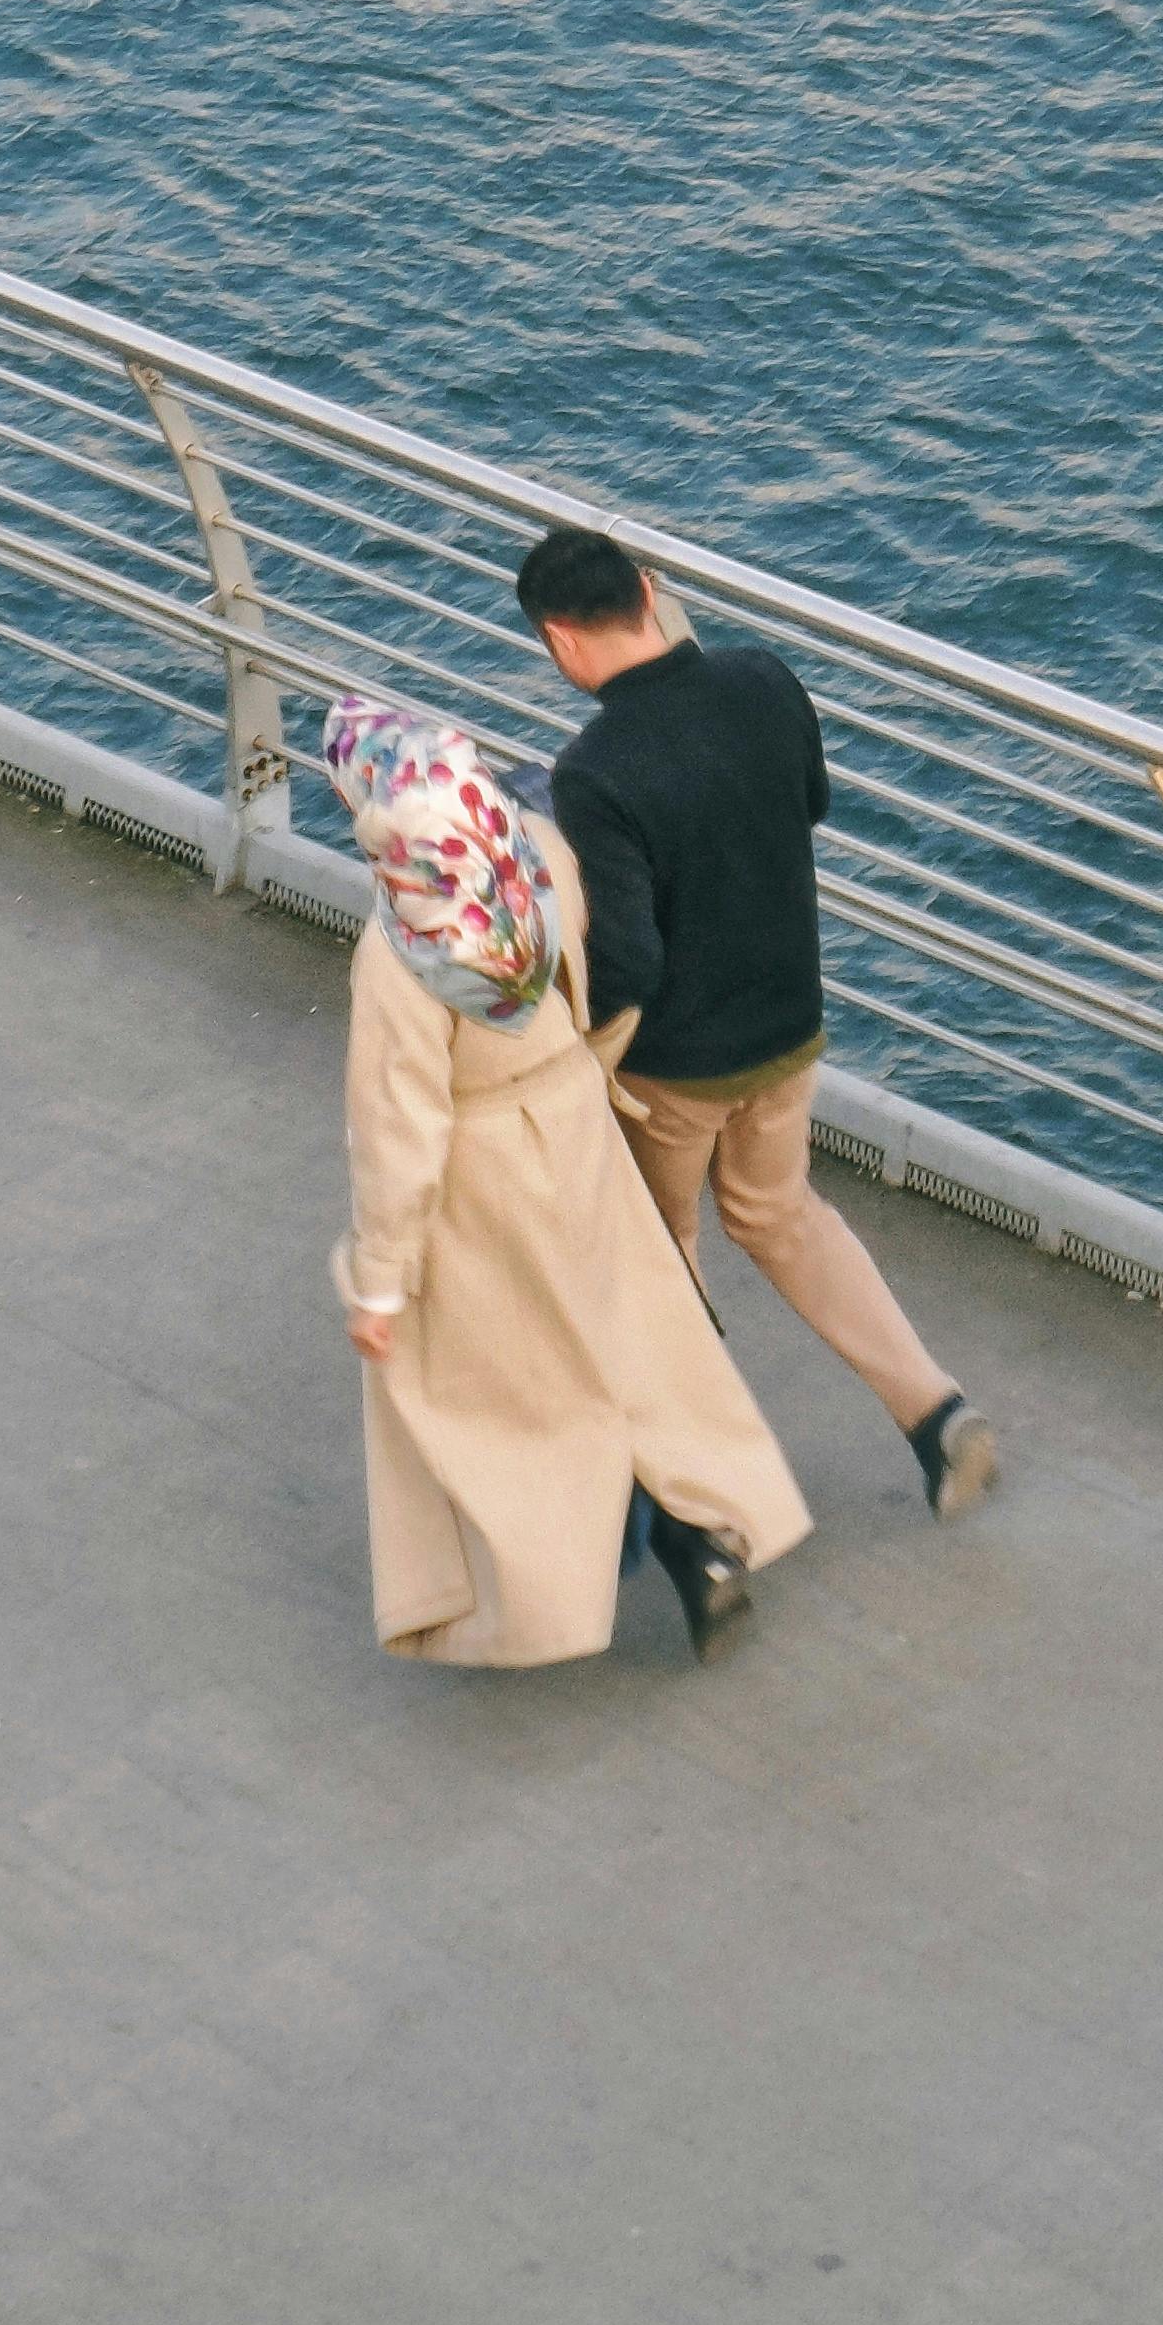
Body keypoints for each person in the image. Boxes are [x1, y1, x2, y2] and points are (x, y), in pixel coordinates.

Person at [512, 525, 998, 1519]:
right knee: (781, 1218)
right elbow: (807, 801)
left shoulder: (591, 770)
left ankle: (712, 1507)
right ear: (650, 592)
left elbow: (633, 962)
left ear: (560, 642)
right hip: (790, 1023)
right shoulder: (764, 680)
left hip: (676, 1070)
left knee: (659, 1257)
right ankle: (936, 1414)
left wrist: (567, 1034)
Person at [325, 690, 810, 1665]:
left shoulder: (402, 946)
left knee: (510, 1399)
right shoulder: (536, 853)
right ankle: (700, 1534)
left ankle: (548, 1598)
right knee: (623, 1344)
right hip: (578, 1129)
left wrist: (382, 1281)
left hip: (482, 1181)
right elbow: (621, 959)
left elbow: (400, 1129)